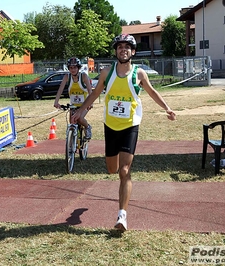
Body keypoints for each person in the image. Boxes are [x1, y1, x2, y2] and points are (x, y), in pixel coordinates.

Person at [71, 34, 176, 231]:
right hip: (111, 126)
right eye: (120, 47)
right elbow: (94, 94)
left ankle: (122, 217)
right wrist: (80, 111)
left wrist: (167, 108)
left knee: (124, 171)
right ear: (116, 51)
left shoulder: (139, 74)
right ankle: (81, 213)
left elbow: (152, 91)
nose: (123, 50)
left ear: (133, 52)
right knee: (112, 169)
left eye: (127, 47)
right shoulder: (106, 73)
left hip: (130, 125)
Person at [54, 57, 93, 139]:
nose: (73, 70)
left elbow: (90, 90)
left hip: (84, 104)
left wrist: (91, 103)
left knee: (80, 119)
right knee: (72, 122)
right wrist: (56, 102)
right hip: (73, 105)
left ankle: (87, 127)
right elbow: (60, 89)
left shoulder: (83, 76)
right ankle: (72, 141)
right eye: (71, 68)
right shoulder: (67, 77)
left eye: (75, 67)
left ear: (78, 68)